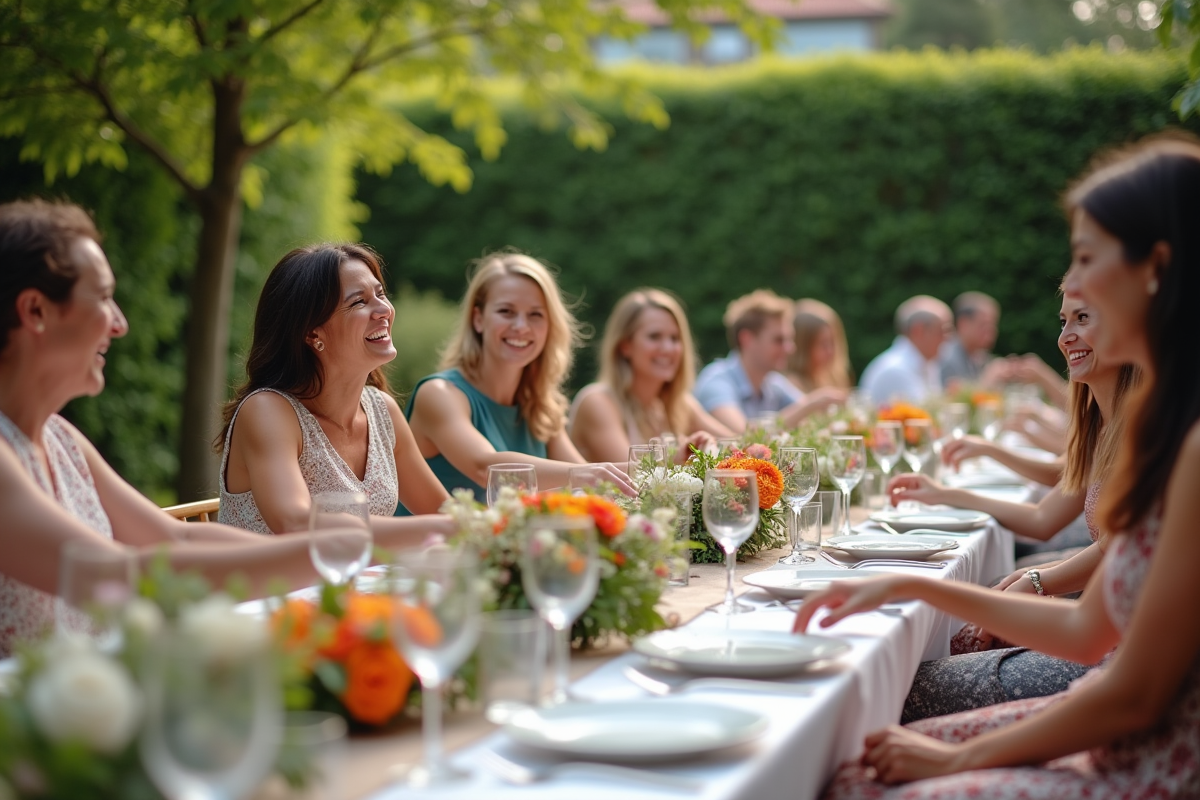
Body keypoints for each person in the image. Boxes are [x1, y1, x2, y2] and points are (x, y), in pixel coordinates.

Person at [794, 137, 1200, 797]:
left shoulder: (1187, 445)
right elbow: (1087, 627)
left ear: (1154, 268)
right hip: (1113, 730)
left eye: (1087, 259)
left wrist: (960, 761)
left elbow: (1134, 698)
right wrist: (918, 586)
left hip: (1141, 771)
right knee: (854, 764)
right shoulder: (1166, 428)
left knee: (855, 778)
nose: (1073, 285)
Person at [0, 200, 369, 657]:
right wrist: (337, 553)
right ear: (35, 311)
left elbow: (175, 537)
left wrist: (338, 558)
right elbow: (122, 573)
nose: (120, 324)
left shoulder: (61, 438)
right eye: (102, 297)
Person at [891, 295, 1138, 722]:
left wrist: (1042, 580)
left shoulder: (1144, 428)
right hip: (1110, 628)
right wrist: (947, 494)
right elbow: (1045, 517)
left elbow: (1120, 550)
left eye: (1083, 318)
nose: (1065, 336)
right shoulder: (1104, 424)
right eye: (1064, 320)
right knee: (952, 635)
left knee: (908, 683)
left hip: (1122, 652)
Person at [216, 244, 453, 538]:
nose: (384, 310)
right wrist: (433, 529)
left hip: (353, 583)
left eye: (380, 294)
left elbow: (445, 511)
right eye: (359, 303)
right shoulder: (267, 411)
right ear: (312, 332)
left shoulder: (382, 411)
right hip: (267, 585)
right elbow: (296, 523)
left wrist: (508, 522)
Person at [405, 251, 633, 504]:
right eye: (506, 311)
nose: (522, 326)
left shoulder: (541, 405)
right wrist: (582, 475)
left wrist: (668, 467)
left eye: (536, 314)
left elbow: (594, 481)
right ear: (478, 319)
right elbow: (486, 469)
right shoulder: (439, 394)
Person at [568, 288, 733, 463]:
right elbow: (632, 475)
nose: (668, 348)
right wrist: (682, 458)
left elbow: (734, 443)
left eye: (675, 338)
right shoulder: (597, 402)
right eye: (655, 337)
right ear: (625, 345)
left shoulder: (678, 404)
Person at [694, 289, 845, 432]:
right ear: (746, 339)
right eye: (778, 340)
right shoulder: (716, 381)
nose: (789, 349)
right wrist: (812, 405)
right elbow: (742, 435)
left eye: (789, 339)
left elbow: (812, 416)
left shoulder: (772, 383)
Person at [859, 295, 952, 406]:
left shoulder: (927, 363)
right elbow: (925, 416)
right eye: (943, 331)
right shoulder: (895, 370)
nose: (948, 338)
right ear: (918, 331)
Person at [787, 299, 854, 394]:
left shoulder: (833, 378)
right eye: (823, 344)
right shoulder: (790, 386)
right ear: (803, 347)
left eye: (833, 342)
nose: (831, 351)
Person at [938, 291, 1001, 390]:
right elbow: (948, 400)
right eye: (984, 324)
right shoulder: (945, 356)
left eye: (994, 324)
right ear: (963, 323)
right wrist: (989, 380)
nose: (992, 331)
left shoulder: (979, 355)